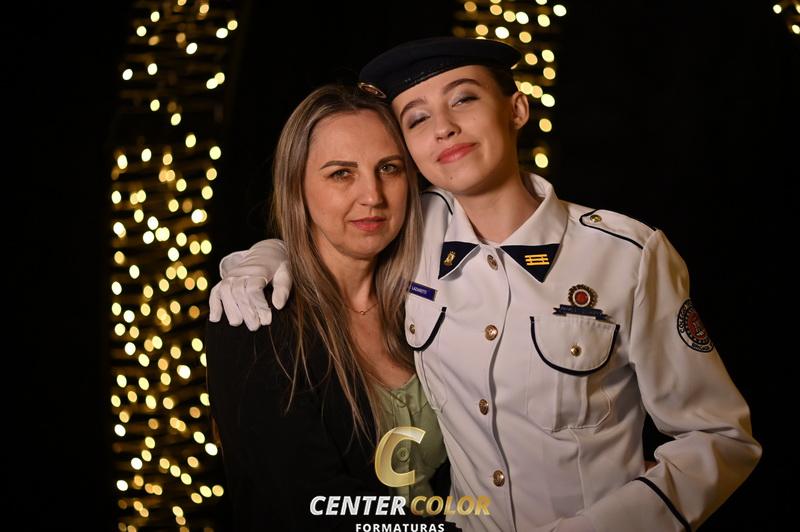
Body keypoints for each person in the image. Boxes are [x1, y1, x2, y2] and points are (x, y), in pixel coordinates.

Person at [210, 38, 761, 532]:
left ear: (516, 108)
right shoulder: (408, 238)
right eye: (417, 118)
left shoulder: (627, 256)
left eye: (464, 99)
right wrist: (264, 256)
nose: (443, 127)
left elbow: (718, 437)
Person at [205, 84, 454, 531]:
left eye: (389, 168)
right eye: (341, 174)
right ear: (297, 188)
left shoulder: (429, 302)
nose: (373, 195)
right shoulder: (257, 318)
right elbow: (311, 508)